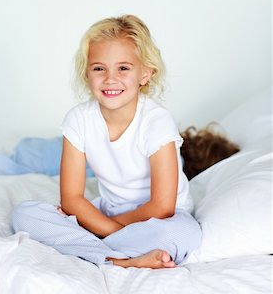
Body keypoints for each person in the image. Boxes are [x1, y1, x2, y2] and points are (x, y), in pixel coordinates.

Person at [11, 14, 202, 269]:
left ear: (145, 74)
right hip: (108, 212)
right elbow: (71, 198)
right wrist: (107, 226)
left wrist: (99, 229)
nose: (110, 79)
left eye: (123, 68)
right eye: (99, 68)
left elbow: (162, 206)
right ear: (87, 74)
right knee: (24, 215)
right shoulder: (78, 119)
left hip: (160, 218)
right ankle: (120, 259)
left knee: (182, 235)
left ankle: (95, 251)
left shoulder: (157, 122)